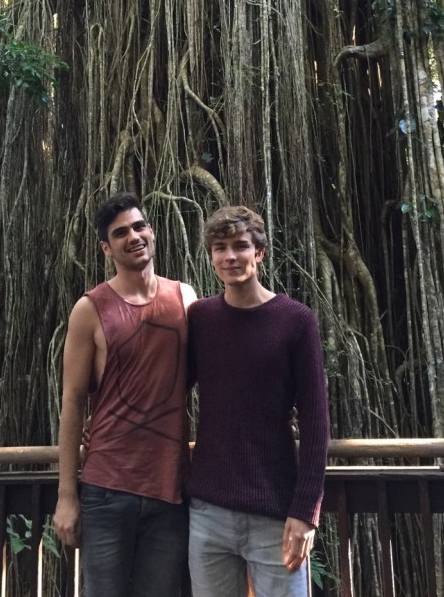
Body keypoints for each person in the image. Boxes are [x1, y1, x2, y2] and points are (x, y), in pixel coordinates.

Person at [53, 192, 197, 597]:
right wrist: (67, 496)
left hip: (170, 487)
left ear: (151, 231)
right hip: (107, 488)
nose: (133, 237)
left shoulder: (185, 298)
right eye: (121, 233)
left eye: (139, 226)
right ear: (106, 247)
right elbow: (73, 402)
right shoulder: (90, 309)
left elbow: (215, 372)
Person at [187, 205, 329, 597]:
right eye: (219, 247)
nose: (230, 256)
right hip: (208, 511)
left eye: (240, 246)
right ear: (211, 256)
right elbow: (167, 389)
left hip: (275, 513)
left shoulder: (296, 320)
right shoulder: (200, 318)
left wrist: (305, 513)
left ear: (260, 253)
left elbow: (317, 424)